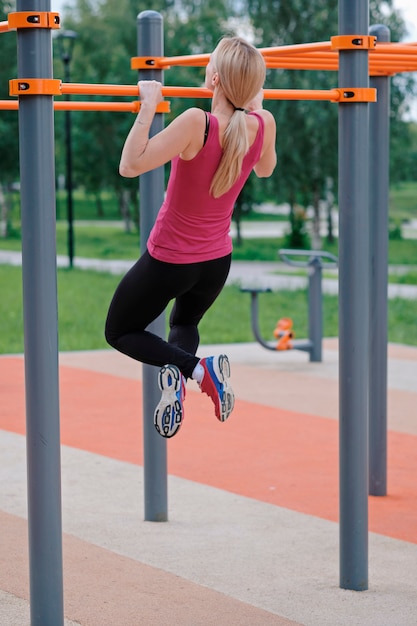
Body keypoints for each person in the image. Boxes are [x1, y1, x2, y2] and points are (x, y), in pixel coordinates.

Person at [105, 35, 277, 438]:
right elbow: (265, 170)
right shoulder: (263, 123)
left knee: (119, 331)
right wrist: (258, 108)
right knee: (185, 322)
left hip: (170, 260)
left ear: (213, 78)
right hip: (215, 263)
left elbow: (130, 165)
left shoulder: (196, 122)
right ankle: (181, 379)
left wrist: (148, 108)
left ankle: (199, 370)